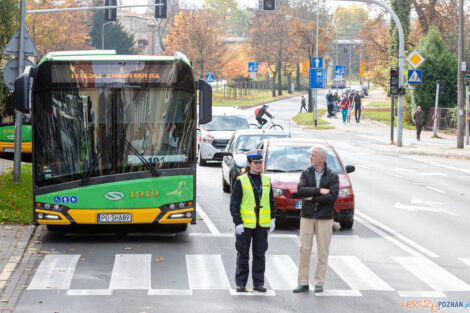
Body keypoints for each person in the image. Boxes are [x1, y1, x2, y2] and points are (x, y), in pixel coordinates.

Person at [293, 145, 339, 294]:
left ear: (322, 158)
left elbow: (332, 197)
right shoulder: (306, 173)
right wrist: (319, 191)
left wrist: (311, 197)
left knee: (323, 251)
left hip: (325, 217)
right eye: (310, 155)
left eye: (313, 155)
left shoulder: (332, 175)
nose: (310, 158)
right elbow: (301, 190)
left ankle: (319, 282)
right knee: (304, 249)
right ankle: (303, 282)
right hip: (307, 216)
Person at [230, 149, 276, 293]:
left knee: (260, 254)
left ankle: (258, 283)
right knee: (243, 254)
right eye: (255, 163)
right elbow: (234, 204)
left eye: (260, 163)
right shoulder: (241, 180)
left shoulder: (267, 180)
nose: (258, 165)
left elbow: (271, 201)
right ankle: (241, 283)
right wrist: (238, 222)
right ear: (249, 164)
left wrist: (273, 218)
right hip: (245, 224)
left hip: (261, 224)